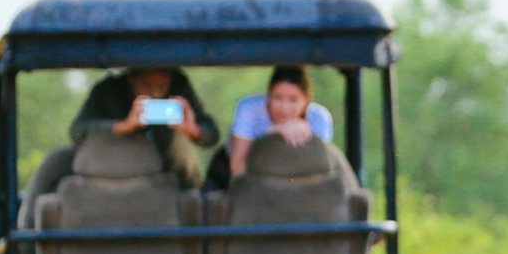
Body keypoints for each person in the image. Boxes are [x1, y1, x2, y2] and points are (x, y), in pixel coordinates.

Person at [73, 66, 218, 188]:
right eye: (147, 85)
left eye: (162, 86)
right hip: (111, 174)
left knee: (182, 143)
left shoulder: (179, 87)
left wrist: (193, 131)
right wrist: (123, 127)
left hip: (168, 173)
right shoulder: (107, 90)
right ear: (131, 77)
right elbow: (78, 131)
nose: (156, 94)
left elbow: (212, 134)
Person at [228, 66, 335, 177]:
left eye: (293, 100)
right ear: (269, 96)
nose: (284, 108)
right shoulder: (249, 108)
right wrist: (273, 133)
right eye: (278, 98)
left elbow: (320, 174)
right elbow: (238, 169)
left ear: (306, 100)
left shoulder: (318, 118)